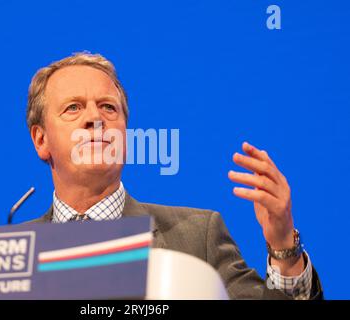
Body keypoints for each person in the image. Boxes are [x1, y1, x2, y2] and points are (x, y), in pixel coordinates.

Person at [25, 52, 323, 299]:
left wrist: (284, 248)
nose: (95, 118)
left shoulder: (197, 237)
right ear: (41, 140)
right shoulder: (10, 255)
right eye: (73, 108)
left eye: (108, 108)